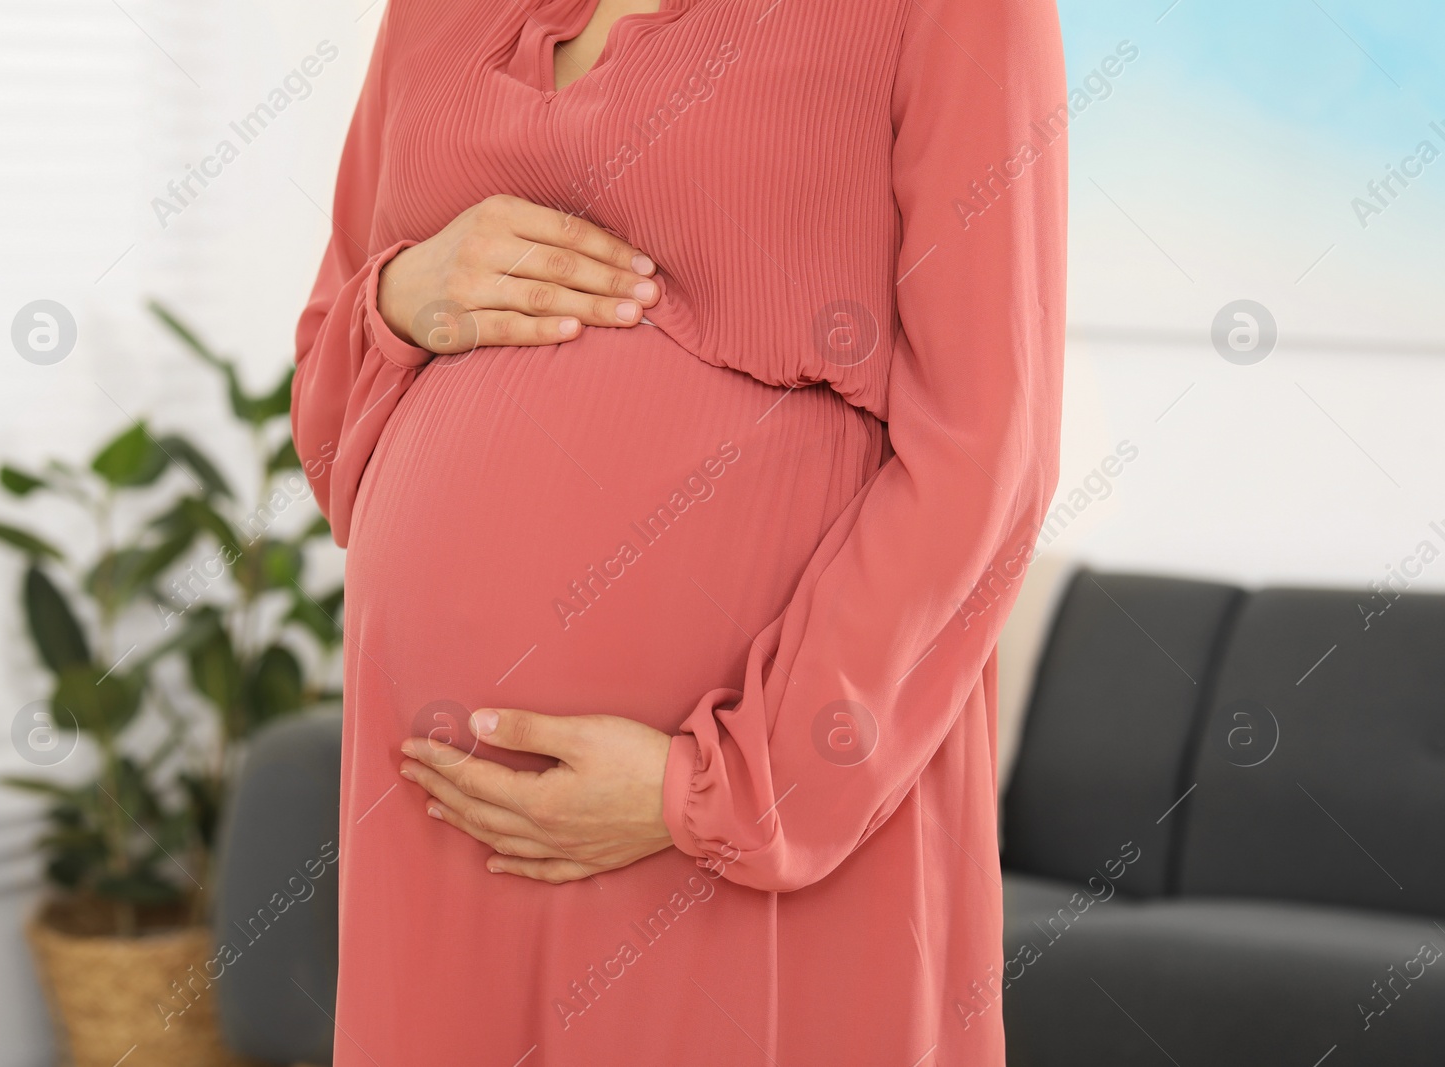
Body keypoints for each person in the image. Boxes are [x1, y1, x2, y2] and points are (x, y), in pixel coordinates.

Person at [290, 0, 1066, 1062]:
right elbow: (331, 418)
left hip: (744, 814)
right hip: (440, 804)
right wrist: (403, 295)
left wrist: (724, 788)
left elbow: (987, 451)